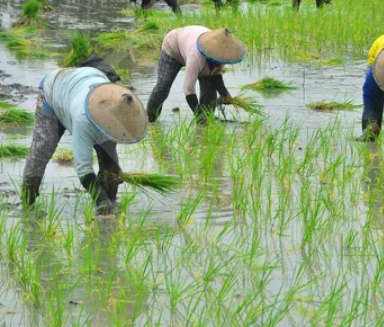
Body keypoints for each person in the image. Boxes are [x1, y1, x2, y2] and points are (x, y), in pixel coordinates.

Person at [22, 66, 147, 211]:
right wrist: (100, 199)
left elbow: (110, 161)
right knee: (42, 150)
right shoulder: (84, 120)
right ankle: (27, 202)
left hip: (87, 79)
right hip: (55, 89)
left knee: (110, 166)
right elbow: (83, 168)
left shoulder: (117, 108)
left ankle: (111, 204)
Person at [146, 25, 246, 123]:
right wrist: (197, 113)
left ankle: (205, 123)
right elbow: (188, 89)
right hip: (173, 47)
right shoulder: (196, 57)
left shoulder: (221, 53)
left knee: (210, 93)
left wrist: (224, 93)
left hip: (189, 43)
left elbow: (216, 75)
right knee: (163, 86)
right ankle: (150, 119)